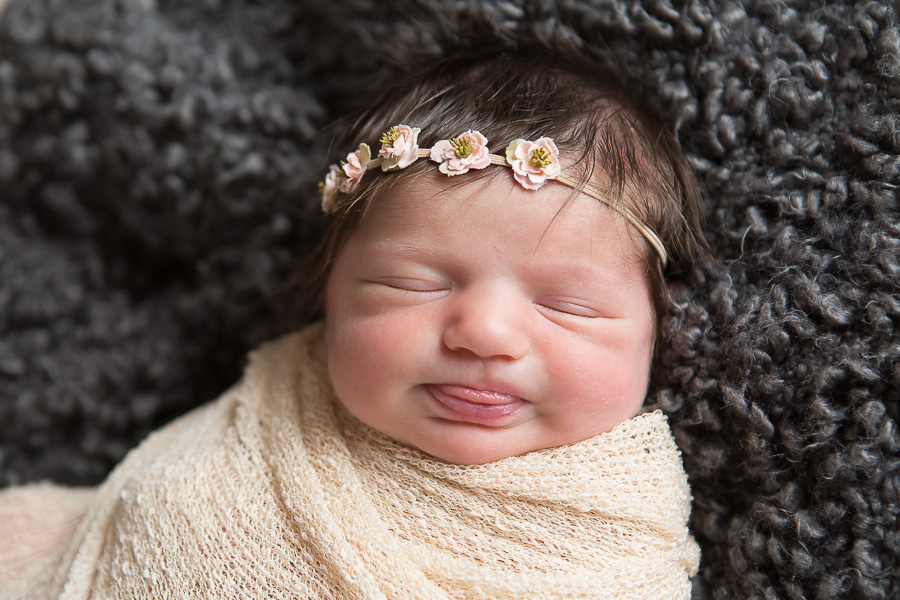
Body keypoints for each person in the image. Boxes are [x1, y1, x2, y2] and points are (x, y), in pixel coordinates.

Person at [1, 49, 706, 599]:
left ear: (659, 326)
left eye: (566, 305)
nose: (484, 333)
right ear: (328, 296)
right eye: (412, 284)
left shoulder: (622, 532)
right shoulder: (248, 451)